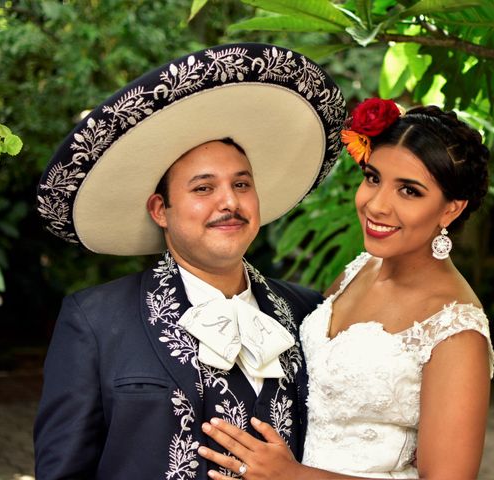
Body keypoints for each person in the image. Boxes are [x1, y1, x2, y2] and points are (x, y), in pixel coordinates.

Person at [33, 43, 345, 479]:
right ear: (160, 209)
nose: (229, 202)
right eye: (203, 189)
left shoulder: (306, 312)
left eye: (242, 183)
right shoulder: (95, 320)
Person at [196, 99, 494, 479]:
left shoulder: (456, 329)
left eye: (409, 191)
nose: (376, 204)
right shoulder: (359, 270)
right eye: (373, 178)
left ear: (451, 209)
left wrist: (292, 476)